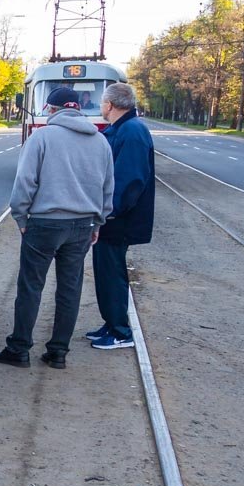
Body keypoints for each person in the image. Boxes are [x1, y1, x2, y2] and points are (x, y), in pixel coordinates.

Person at [0, 86, 114, 370]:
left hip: (44, 224)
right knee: (70, 289)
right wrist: (99, 221)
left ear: (52, 110)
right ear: (79, 109)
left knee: (31, 286)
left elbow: (25, 182)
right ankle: (58, 352)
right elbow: (108, 188)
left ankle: (19, 348)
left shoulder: (42, 137)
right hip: (83, 225)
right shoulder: (101, 142)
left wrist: (21, 217)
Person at [88, 83, 155, 350]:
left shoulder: (132, 131)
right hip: (115, 217)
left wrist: (110, 211)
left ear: (110, 105)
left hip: (119, 219)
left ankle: (120, 331)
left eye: (102, 102)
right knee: (106, 272)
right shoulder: (124, 129)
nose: (101, 107)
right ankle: (111, 323)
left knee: (112, 273)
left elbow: (130, 179)